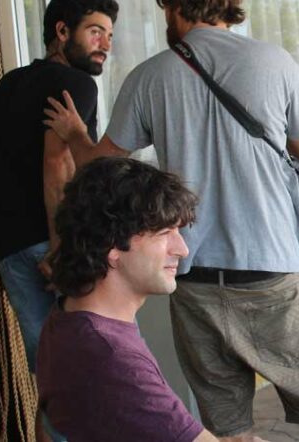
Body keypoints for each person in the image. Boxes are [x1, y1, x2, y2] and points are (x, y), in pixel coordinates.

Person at [41, 0, 299, 440]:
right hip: (272, 269)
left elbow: (102, 165)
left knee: (226, 424)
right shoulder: (275, 61)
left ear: (175, 7)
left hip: (193, 273)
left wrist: (76, 134)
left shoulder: (148, 76)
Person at [0, 0, 116, 372]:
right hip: (54, 246)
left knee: (50, 373)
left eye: (110, 35)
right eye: (95, 32)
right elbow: (57, 163)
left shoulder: (7, 83)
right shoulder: (78, 84)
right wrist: (58, 243)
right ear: (62, 32)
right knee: (85, 370)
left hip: (10, 247)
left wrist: (8, 212)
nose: (105, 45)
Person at [37, 157, 218, 442]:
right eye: (164, 233)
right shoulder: (113, 358)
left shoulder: (65, 318)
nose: (182, 249)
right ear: (113, 245)